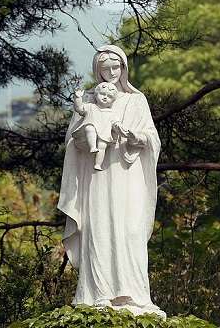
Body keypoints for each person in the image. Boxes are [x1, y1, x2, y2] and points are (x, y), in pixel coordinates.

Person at [58, 45, 165, 318]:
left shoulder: (136, 101)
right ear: (97, 70)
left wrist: (133, 137)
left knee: (130, 231)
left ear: (124, 68)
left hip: (128, 177)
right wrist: (86, 138)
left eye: (115, 68)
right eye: (105, 69)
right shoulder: (90, 101)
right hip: (98, 176)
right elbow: (73, 141)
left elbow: (151, 139)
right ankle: (98, 294)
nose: (110, 74)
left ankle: (136, 296)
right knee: (100, 229)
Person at [71, 82, 124, 171]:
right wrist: (78, 98)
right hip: (90, 130)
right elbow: (79, 108)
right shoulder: (90, 107)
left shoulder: (112, 113)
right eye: (102, 94)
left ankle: (98, 164)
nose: (105, 97)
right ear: (96, 95)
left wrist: (119, 127)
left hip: (104, 133)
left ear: (113, 101)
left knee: (102, 145)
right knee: (89, 128)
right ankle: (92, 147)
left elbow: (116, 123)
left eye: (109, 96)